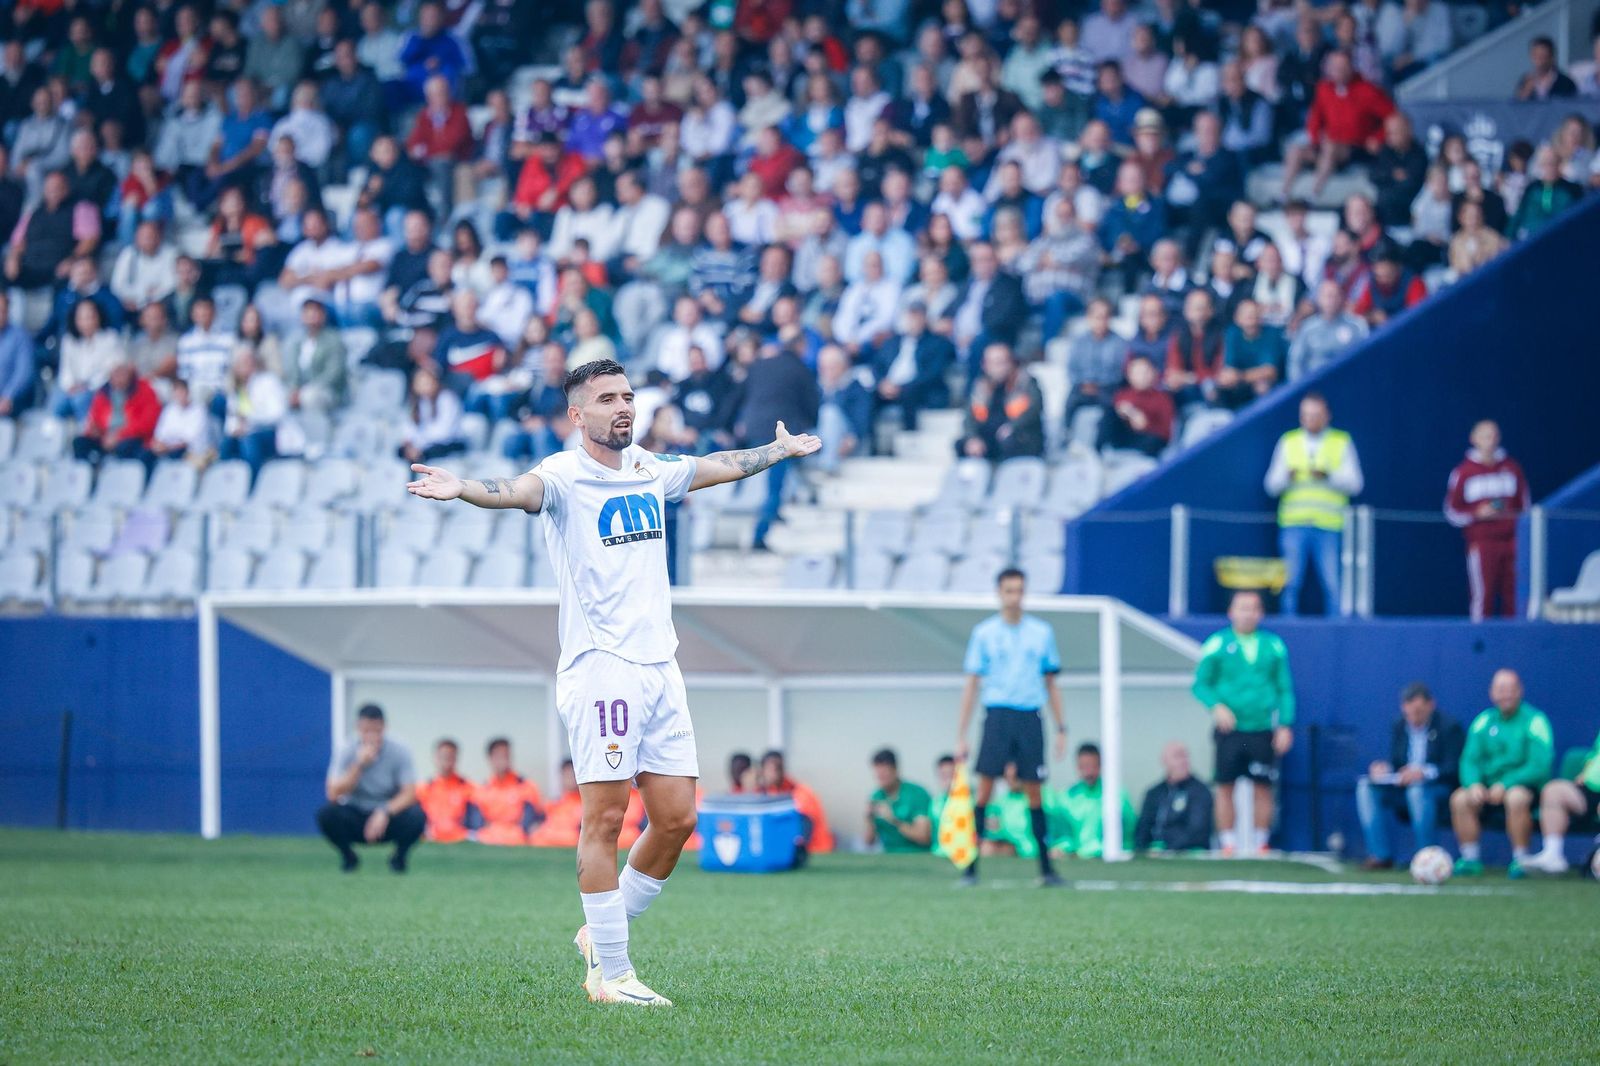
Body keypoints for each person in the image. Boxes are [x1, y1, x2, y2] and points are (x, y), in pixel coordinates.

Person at [406, 358, 820, 1006]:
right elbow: (513, 491)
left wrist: (779, 449)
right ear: (578, 415)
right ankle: (613, 976)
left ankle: (600, 934)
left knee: (678, 820)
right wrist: (462, 487)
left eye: (627, 396)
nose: (623, 407)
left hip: (661, 666)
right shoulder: (563, 477)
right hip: (604, 670)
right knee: (603, 822)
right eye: (607, 399)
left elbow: (713, 465)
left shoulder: (649, 469)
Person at [953, 567, 1068, 886]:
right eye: (1008, 590)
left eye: (1019, 590)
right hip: (998, 716)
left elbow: (1051, 683)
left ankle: (1046, 869)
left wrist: (1062, 727)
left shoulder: (1041, 633)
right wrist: (961, 735)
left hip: (1030, 715)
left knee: (1035, 792)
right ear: (999, 593)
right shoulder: (984, 633)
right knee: (985, 790)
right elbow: (971, 684)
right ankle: (970, 868)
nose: (1014, 597)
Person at [1192, 590, 1295, 856]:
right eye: (1242, 608)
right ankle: (1228, 843)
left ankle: (1261, 842)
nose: (1247, 613)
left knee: (1263, 787)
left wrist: (1284, 724)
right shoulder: (1217, 643)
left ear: (1260, 613)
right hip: (1230, 730)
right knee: (1225, 786)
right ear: (1231, 612)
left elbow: (1284, 688)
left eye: (1252, 608)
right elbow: (1200, 684)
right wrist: (1216, 707)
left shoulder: (1273, 645)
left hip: (1261, 728)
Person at [1265, 393, 1364, 616]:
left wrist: (1328, 476)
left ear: (1327, 416)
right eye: (1306, 415)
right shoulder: (1288, 441)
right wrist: (1287, 477)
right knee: (1290, 583)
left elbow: (1356, 484)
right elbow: (1271, 485)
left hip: (1329, 526)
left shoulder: (1341, 441)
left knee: (1332, 584)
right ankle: (1289, 628)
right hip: (1293, 524)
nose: (1311, 420)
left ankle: (1336, 629)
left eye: (1316, 415)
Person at [1450, 669, 1554, 878]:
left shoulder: (1535, 721)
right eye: (1500, 689)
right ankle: (1470, 859)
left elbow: (1539, 765)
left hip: (1525, 787)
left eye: (1510, 689)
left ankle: (1521, 859)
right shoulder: (1483, 722)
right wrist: (1474, 784)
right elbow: (1469, 760)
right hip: (1487, 787)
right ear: (1492, 693)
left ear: (1520, 691)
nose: (1505, 694)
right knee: (1460, 798)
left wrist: (1506, 784)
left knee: (1516, 798)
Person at [1354, 682, 1465, 869]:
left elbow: (1454, 768)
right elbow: (1398, 764)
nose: (1414, 717)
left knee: (1417, 791)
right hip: (1404, 789)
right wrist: (1384, 768)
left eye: (1419, 712)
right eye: (1409, 712)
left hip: (1437, 789)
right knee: (1366, 786)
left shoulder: (1449, 727)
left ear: (1431, 705)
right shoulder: (1399, 725)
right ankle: (1380, 855)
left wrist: (1423, 772)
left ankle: (1427, 858)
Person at [316, 704, 426, 873]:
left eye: (376, 731)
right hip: (355, 812)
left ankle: (399, 858)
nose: (372, 737)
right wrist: (359, 765)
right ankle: (348, 857)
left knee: (417, 816)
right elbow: (333, 793)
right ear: (358, 728)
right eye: (367, 731)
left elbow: (410, 793)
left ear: (384, 727)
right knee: (327, 814)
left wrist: (384, 811)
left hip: (387, 814)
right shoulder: (346, 750)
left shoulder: (400, 751)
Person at [1444, 420, 1530, 622]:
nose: (1489, 441)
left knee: (1514, 594)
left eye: (1493, 436)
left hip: (1512, 542)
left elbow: (1525, 507)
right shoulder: (1463, 472)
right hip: (1482, 543)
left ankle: (1515, 642)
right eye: (1484, 436)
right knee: (1483, 595)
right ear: (1473, 439)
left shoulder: (1512, 469)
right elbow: (1451, 511)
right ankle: (1480, 644)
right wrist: (1476, 513)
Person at [1523, 727, 1600, 875]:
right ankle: (1552, 855)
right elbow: (1595, 753)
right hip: (1589, 788)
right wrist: (1586, 771)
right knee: (1554, 790)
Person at [957, 343, 1045, 461]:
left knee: (1009, 441)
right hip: (990, 438)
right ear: (985, 365)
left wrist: (1012, 427)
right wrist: (972, 437)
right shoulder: (981, 387)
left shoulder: (1026, 382)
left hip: (1020, 437)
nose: (999, 367)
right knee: (962, 444)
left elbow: (1034, 409)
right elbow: (969, 417)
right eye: (993, 363)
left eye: (1002, 362)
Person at [1047, 743, 1135, 859]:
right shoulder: (1066, 797)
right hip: (1074, 861)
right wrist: (1063, 848)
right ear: (1078, 766)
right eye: (1084, 766)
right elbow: (1061, 835)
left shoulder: (1116, 795)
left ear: (1100, 766)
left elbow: (1126, 833)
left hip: (1107, 860)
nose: (1088, 772)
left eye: (1092, 766)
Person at [1133, 741, 1214, 852]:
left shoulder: (1200, 791)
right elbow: (1142, 828)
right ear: (1164, 760)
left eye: (1185, 756)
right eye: (1177, 756)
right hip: (1153, 856)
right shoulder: (1153, 793)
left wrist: (1167, 848)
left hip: (1185, 855)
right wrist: (1144, 850)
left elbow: (1197, 832)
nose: (1183, 761)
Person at [472, 737, 546, 847]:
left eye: (506, 755)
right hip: (490, 836)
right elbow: (478, 823)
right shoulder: (482, 790)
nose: (503, 760)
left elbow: (532, 819)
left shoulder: (526, 786)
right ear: (490, 758)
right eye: (499, 756)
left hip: (517, 837)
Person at [758, 750, 836, 854]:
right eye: (770, 769)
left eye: (778, 768)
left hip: (815, 850)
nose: (774, 773)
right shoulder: (764, 793)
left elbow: (805, 824)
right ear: (762, 770)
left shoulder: (800, 792)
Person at [864, 748, 933, 853]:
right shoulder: (876, 796)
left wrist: (893, 820)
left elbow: (924, 837)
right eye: (879, 775)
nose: (881, 777)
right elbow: (869, 842)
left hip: (917, 856)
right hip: (889, 857)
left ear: (895, 770)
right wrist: (869, 819)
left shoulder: (917, 794)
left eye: (885, 773)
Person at [415, 738, 476, 843]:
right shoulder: (424, 788)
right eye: (443, 756)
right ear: (436, 758)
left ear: (456, 758)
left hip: (460, 837)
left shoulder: (468, 787)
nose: (447, 761)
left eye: (450, 757)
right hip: (431, 837)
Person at [530, 760, 585, 847]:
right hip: (550, 837)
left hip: (571, 840)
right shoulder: (553, 804)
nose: (569, 778)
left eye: (572, 775)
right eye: (566, 775)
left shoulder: (585, 805)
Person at [1514, 36, 1578, 100]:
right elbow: (1517, 104)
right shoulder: (1525, 80)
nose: (1538, 61)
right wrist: (1526, 91)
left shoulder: (1565, 83)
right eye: (1535, 56)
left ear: (1551, 57)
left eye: (1542, 56)